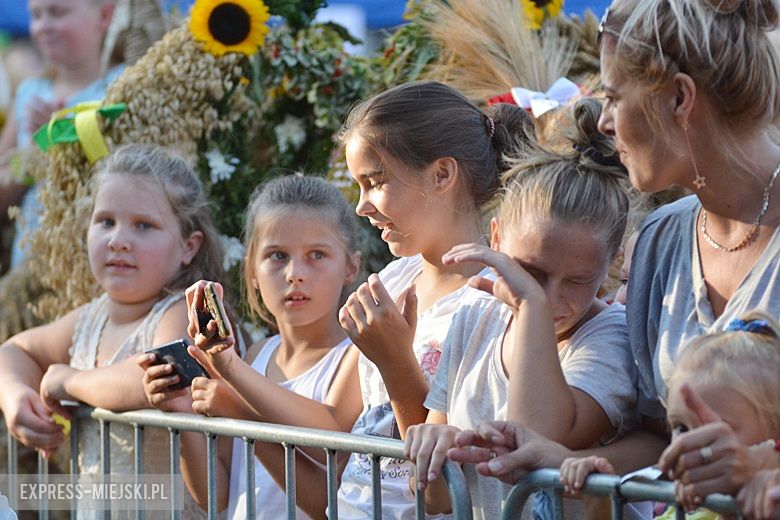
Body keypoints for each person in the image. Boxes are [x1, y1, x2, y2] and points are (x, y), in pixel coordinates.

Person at [448, 0, 780, 496]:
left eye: (615, 97)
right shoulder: (660, 241)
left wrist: (763, 475)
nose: (604, 122)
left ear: (680, 99)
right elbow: (658, 434)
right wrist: (579, 461)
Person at [404, 98, 645, 519]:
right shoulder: (471, 319)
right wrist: (434, 447)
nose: (551, 298)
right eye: (531, 272)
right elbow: (436, 500)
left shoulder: (611, 338)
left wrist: (530, 305)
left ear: (612, 264)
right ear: (495, 237)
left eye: (576, 281)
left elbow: (536, 437)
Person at [331, 80, 533, 519]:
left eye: (376, 182)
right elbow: (342, 420)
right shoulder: (393, 278)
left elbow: (442, 479)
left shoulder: (494, 299)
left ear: (442, 174)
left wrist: (395, 361)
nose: (362, 206)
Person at [0, 143, 222, 518]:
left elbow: (158, 377)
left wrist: (68, 381)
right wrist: (15, 397)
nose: (119, 239)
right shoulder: (90, 318)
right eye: (105, 221)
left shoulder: (180, 312)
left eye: (144, 225)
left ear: (188, 246)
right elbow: (13, 351)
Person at [139, 174, 363, 519]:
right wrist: (180, 413)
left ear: (351, 266)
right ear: (252, 272)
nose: (294, 274)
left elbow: (327, 504)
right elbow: (216, 495)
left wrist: (244, 416)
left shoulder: (354, 358)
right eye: (277, 256)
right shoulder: (256, 355)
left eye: (317, 254)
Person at [0, 0, 122, 268]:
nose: (42, 27)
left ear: (105, 15)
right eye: (35, 15)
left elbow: (140, 184)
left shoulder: (122, 89)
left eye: (57, 12)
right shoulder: (30, 93)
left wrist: (71, 145)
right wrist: (35, 154)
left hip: (96, 268)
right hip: (29, 270)